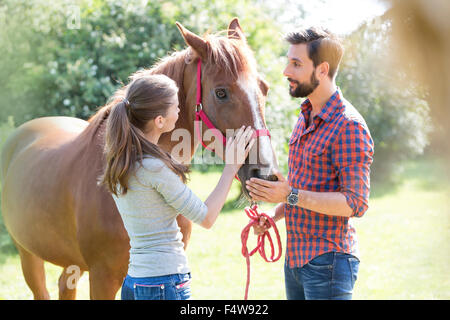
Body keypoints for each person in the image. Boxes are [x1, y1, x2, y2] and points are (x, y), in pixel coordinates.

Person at [99, 74, 255, 300]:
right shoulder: (154, 168)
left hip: (135, 282)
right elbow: (206, 217)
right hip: (163, 283)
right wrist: (231, 167)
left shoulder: (122, 162)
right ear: (160, 120)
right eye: (175, 106)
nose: (180, 111)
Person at [245, 27, 374, 300]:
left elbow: (355, 203)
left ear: (322, 70)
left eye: (296, 64)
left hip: (328, 263)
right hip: (297, 260)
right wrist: (274, 215)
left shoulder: (348, 126)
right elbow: (300, 189)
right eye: (288, 61)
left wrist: (289, 195)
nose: (285, 71)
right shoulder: (305, 116)